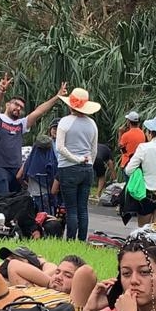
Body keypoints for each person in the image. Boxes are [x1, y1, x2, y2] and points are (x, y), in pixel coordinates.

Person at [0, 74, 58, 194]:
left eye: (21, 107)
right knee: (3, 198)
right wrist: (1, 91)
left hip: (16, 168)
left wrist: (57, 97)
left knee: (16, 201)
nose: (18, 108)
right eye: (16, 104)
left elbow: (40, 111)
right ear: (8, 105)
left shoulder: (21, 124)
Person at [56, 86, 100, 241]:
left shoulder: (65, 122)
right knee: (83, 208)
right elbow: (93, 150)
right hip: (87, 169)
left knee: (71, 208)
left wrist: (75, 159)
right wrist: (88, 164)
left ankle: (70, 240)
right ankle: (82, 240)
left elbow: (60, 147)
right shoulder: (92, 124)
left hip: (68, 169)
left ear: (70, 105)